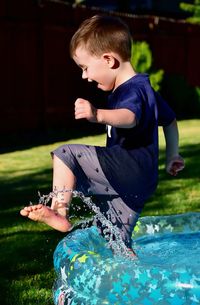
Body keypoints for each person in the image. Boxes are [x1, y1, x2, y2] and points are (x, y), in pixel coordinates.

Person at [20, 15, 184, 255]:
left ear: (108, 60)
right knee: (116, 241)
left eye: (85, 68)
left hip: (127, 167)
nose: (85, 76)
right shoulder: (145, 88)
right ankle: (138, 284)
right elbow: (169, 122)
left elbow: (130, 117)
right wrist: (173, 155)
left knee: (67, 155)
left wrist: (97, 114)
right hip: (141, 180)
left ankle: (60, 210)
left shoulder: (133, 90)